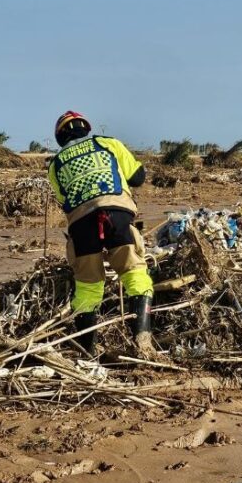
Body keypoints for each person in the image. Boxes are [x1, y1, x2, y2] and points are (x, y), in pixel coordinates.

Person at [46, 111, 154, 357]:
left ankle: (87, 353)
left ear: (60, 137)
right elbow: (137, 177)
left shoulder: (55, 164)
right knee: (134, 272)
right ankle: (143, 343)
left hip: (81, 224)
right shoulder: (109, 144)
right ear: (86, 128)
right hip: (117, 214)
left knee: (87, 287)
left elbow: (64, 200)